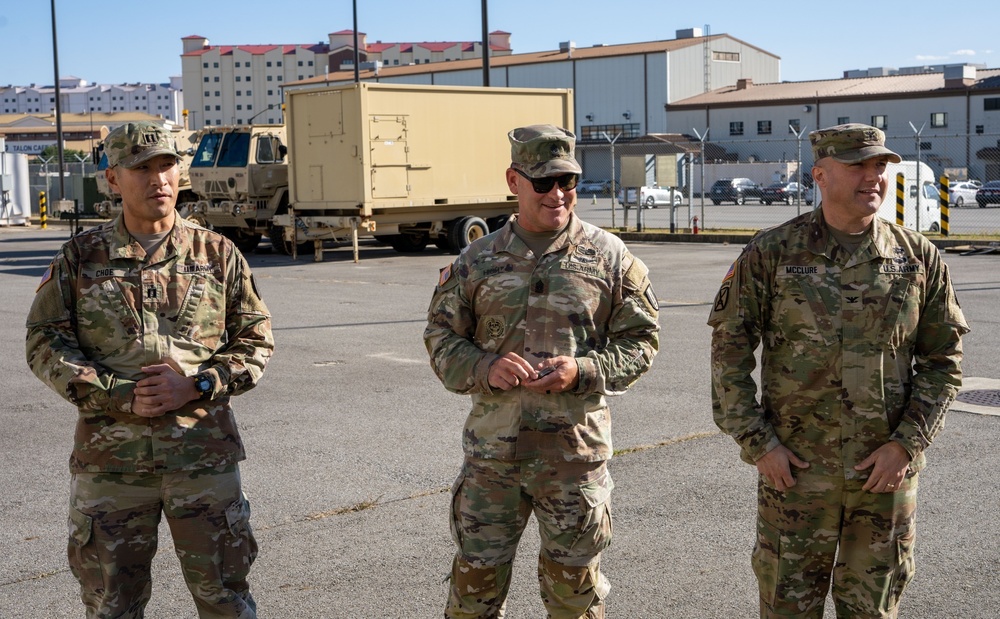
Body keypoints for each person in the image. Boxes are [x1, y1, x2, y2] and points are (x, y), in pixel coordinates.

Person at [708, 123, 969, 618]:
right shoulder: (772, 253)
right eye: (857, 165)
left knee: (872, 611)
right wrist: (759, 444)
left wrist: (906, 445)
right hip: (796, 477)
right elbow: (729, 353)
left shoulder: (917, 258)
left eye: (880, 166)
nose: (873, 177)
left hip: (885, 480)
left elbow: (943, 360)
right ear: (821, 175)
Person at [26, 121, 274, 618]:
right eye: (141, 168)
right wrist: (117, 394)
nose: (158, 178)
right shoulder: (80, 257)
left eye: (166, 165)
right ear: (112, 178)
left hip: (202, 459)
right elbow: (45, 342)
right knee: (111, 604)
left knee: (224, 599)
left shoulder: (217, 253)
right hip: (111, 465)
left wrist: (199, 384)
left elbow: (256, 339)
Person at [424, 124, 660, 618]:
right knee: (473, 595)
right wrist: (484, 366)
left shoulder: (609, 257)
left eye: (568, 182)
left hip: (573, 458)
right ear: (514, 180)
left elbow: (642, 341)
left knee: (574, 598)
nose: (558, 194)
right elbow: (441, 339)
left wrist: (584, 370)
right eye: (544, 183)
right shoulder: (477, 259)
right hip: (494, 460)